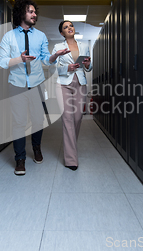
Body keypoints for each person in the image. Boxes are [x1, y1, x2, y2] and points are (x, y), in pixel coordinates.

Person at [0, 0, 69, 176]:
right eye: (31, 11)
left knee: (38, 120)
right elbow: (2, 62)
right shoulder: (9, 37)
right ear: (21, 13)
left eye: (35, 12)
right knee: (19, 122)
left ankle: (36, 148)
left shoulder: (41, 36)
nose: (34, 15)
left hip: (37, 84)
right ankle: (20, 159)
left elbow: (46, 59)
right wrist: (20, 59)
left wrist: (55, 56)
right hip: (17, 84)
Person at [51, 20, 92, 171]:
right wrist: (67, 67)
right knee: (67, 118)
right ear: (62, 33)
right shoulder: (58, 47)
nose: (70, 28)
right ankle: (71, 159)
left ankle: (70, 146)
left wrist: (87, 64)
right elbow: (53, 67)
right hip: (63, 83)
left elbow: (89, 66)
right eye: (65, 27)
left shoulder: (84, 46)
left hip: (80, 82)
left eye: (71, 26)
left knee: (78, 117)